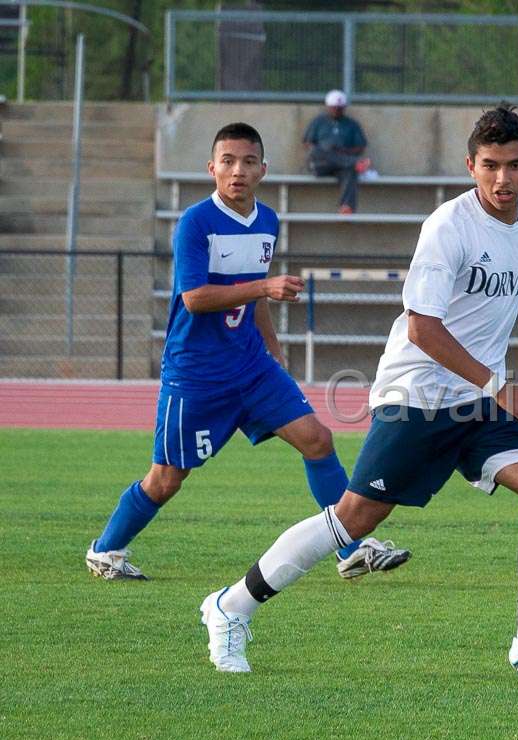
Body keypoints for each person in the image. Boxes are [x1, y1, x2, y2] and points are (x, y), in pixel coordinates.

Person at [200, 105, 518, 676]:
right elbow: (422, 326)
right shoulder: (449, 226)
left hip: (482, 398)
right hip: (417, 393)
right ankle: (230, 606)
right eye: (489, 166)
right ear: (471, 165)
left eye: (514, 166)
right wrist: (500, 384)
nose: (502, 179)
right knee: (355, 519)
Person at [86, 123, 409, 583]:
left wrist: (273, 349)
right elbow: (196, 298)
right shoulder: (196, 222)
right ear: (212, 168)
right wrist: (266, 286)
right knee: (166, 479)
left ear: (263, 169)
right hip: (197, 375)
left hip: (252, 367)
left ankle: (351, 549)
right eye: (228, 161)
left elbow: (253, 297)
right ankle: (107, 549)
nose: (238, 170)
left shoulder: (267, 221)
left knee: (317, 440)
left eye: (248, 161)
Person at [302, 90, 371, 214]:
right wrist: (327, 151)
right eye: (334, 108)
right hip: (321, 164)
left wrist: (342, 151)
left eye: (339, 108)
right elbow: (307, 143)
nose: (336, 110)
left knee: (350, 170)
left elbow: (360, 146)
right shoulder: (319, 121)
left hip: (342, 165)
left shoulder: (351, 124)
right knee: (317, 151)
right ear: (328, 107)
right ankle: (354, 162)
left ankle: (346, 206)